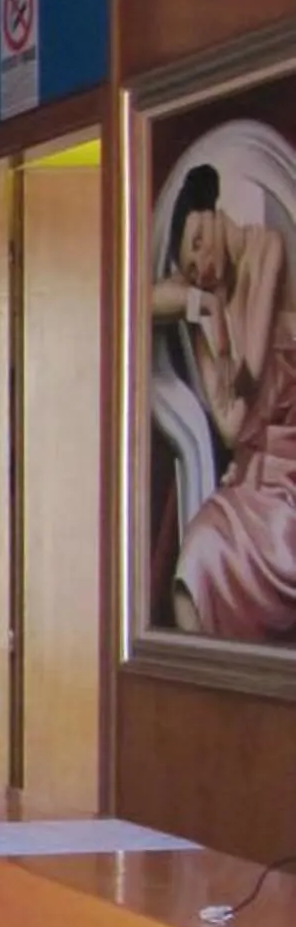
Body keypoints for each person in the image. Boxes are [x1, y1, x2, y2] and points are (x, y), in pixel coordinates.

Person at [153, 163, 296, 640]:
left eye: (198, 242)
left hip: (290, 463)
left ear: (213, 212)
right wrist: (201, 306)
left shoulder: (265, 249)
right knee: (196, 554)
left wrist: (218, 326)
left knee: (278, 542)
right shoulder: (206, 304)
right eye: (191, 267)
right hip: (252, 474)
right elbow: (232, 428)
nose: (202, 266)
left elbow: (250, 370)